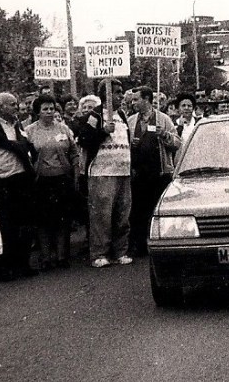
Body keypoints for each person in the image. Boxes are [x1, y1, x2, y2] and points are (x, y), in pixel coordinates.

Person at [0, 92, 37, 280]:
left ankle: (23, 264)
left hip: (21, 180)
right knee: (6, 227)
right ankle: (4, 268)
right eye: (12, 104)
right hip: (2, 182)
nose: (16, 107)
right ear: (1, 107)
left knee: (24, 225)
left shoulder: (17, 126)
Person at [75, 80, 132, 267]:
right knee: (101, 215)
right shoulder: (94, 116)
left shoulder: (122, 115)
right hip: (102, 172)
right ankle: (99, 253)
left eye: (121, 92)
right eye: (117, 92)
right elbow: (84, 139)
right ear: (106, 94)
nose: (121, 96)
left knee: (122, 215)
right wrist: (102, 132)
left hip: (123, 172)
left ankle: (121, 251)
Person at [25, 93, 78, 270]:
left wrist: (75, 173)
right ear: (38, 112)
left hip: (62, 179)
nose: (49, 112)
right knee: (43, 221)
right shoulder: (29, 130)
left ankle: (62, 257)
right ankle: (46, 258)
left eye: (52, 108)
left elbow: (74, 152)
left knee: (63, 220)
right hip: (41, 180)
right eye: (45, 109)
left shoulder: (63, 129)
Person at [127, 86, 181, 258]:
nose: (133, 103)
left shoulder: (163, 119)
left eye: (136, 99)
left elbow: (177, 143)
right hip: (138, 174)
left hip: (159, 173)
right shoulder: (130, 121)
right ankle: (140, 245)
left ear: (147, 99)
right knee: (138, 211)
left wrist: (164, 135)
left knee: (156, 210)